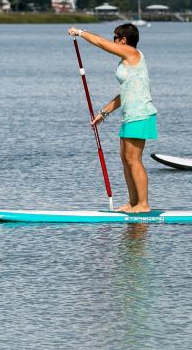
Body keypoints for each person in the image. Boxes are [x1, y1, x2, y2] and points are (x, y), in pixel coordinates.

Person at [67, 23, 157, 213]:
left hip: (141, 114)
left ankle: (143, 204)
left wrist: (80, 33)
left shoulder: (132, 53)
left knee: (134, 159)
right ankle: (133, 203)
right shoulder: (125, 61)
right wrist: (103, 113)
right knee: (126, 158)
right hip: (130, 115)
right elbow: (124, 94)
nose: (113, 40)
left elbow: (100, 43)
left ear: (123, 40)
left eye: (115, 37)